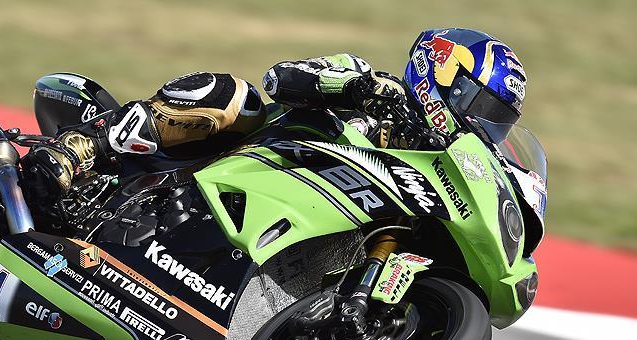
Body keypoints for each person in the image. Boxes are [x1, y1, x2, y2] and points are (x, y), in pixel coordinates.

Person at [29, 28, 528, 193]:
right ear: (442, 72)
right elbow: (279, 78)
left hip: (289, 217)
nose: (484, 123)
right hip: (227, 164)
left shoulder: (432, 171)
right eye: (481, 105)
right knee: (238, 98)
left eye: (497, 118)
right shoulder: (367, 80)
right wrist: (358, 87)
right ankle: (83, 146)